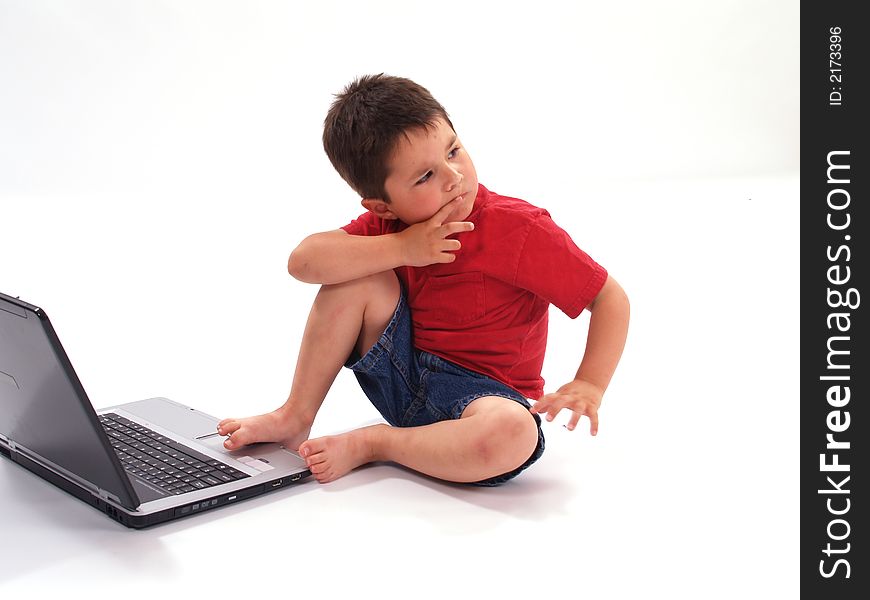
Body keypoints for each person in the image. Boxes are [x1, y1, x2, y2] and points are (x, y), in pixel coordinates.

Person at [218, 74, 630, 485]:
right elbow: (303, 262)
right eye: (424, 177)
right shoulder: (391, 229)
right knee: (355, 277)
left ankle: (377, 444)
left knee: (514, 432)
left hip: (483, 400)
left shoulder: (519, 229)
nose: (454, 176)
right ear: (383, 206)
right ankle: (295, 416)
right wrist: (403, 248)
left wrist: (589, 382)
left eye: (453, 151)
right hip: (401, 377)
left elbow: (609, 297)